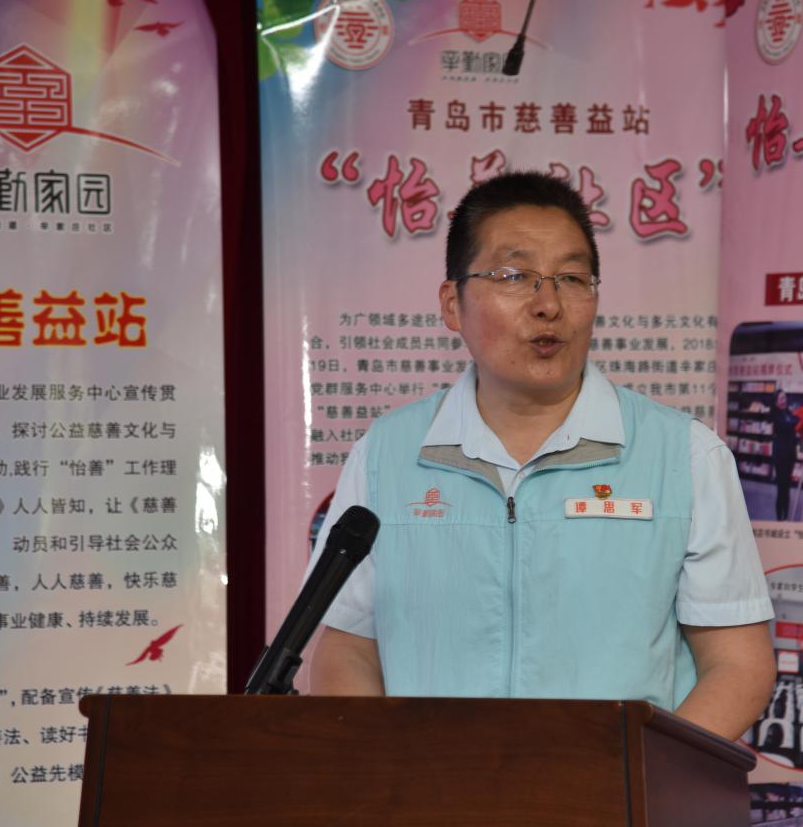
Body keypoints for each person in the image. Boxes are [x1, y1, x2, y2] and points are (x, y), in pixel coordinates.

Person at [308, 172, 776, 740]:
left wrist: (638, 777)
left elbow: (738, 665)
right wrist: (389, 775)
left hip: (616, 790)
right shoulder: (386, 455)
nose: (548, 304)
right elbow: (348, 648)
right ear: (452, 303)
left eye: (572, 278)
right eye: (514, 276)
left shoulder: (684, 456)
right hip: (428, 788)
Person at [771, 390, 800, 521]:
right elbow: (787, 425)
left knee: (787, 488)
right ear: (776, 402)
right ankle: (779, 519)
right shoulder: (775, 415)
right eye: (781, 399)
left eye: (785, 398)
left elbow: (793, 429)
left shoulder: (788, 413)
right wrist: (800, 418)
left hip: (789, 456)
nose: (784, 400)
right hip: (780, 457)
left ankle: (786, 517)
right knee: (781, 489)